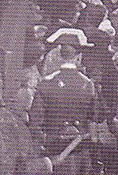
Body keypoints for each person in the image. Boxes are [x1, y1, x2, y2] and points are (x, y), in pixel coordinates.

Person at [29, 27, 100, 175]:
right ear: (79, 56)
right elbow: (93, 120)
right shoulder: (88, 85)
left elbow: (35, 121)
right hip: (78, 151)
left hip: (52, 151)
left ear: (60, 54)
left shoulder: (46, 83)